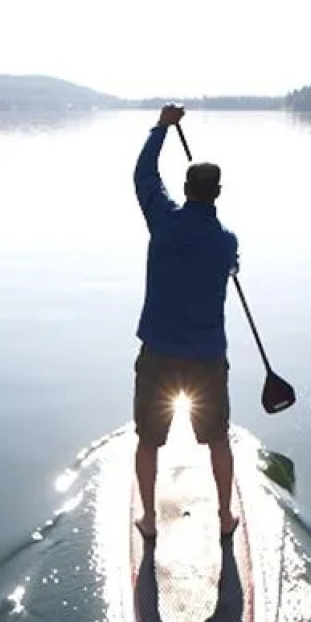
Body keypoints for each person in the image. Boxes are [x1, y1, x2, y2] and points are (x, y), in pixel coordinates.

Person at [132, 103, 240, 542]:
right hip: (206, 358)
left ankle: (150, 521)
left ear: (187, 188)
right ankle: (226, 517)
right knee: (217, 439)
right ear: (218, 192)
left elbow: (143, 176)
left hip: (159, 352)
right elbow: (229, 262)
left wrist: (162, 128)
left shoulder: (164, 223)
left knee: (148, 441)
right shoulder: (226, 242)